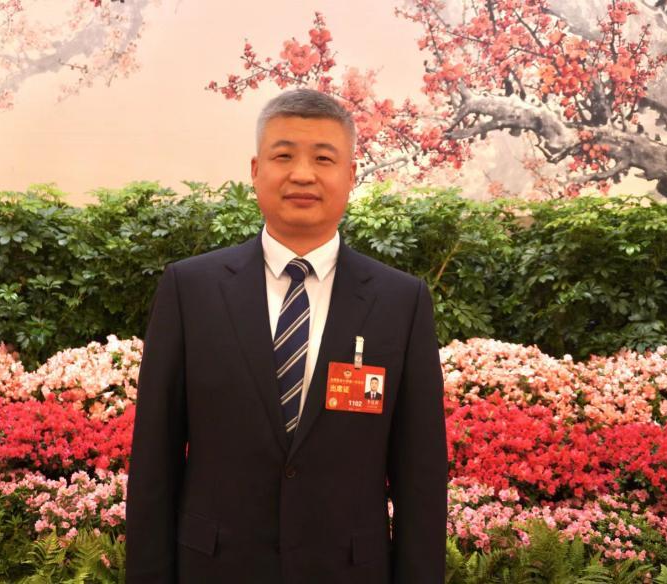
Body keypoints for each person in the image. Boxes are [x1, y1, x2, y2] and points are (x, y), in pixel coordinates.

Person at [126, 88, 447, 584]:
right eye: (283, 156)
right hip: (216, 569)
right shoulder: (190, 290)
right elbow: (155, 459)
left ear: (351, 175)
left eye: (323, 158)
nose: (302, 174)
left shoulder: (401, 302)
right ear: (256, 171)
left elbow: (420, 477)